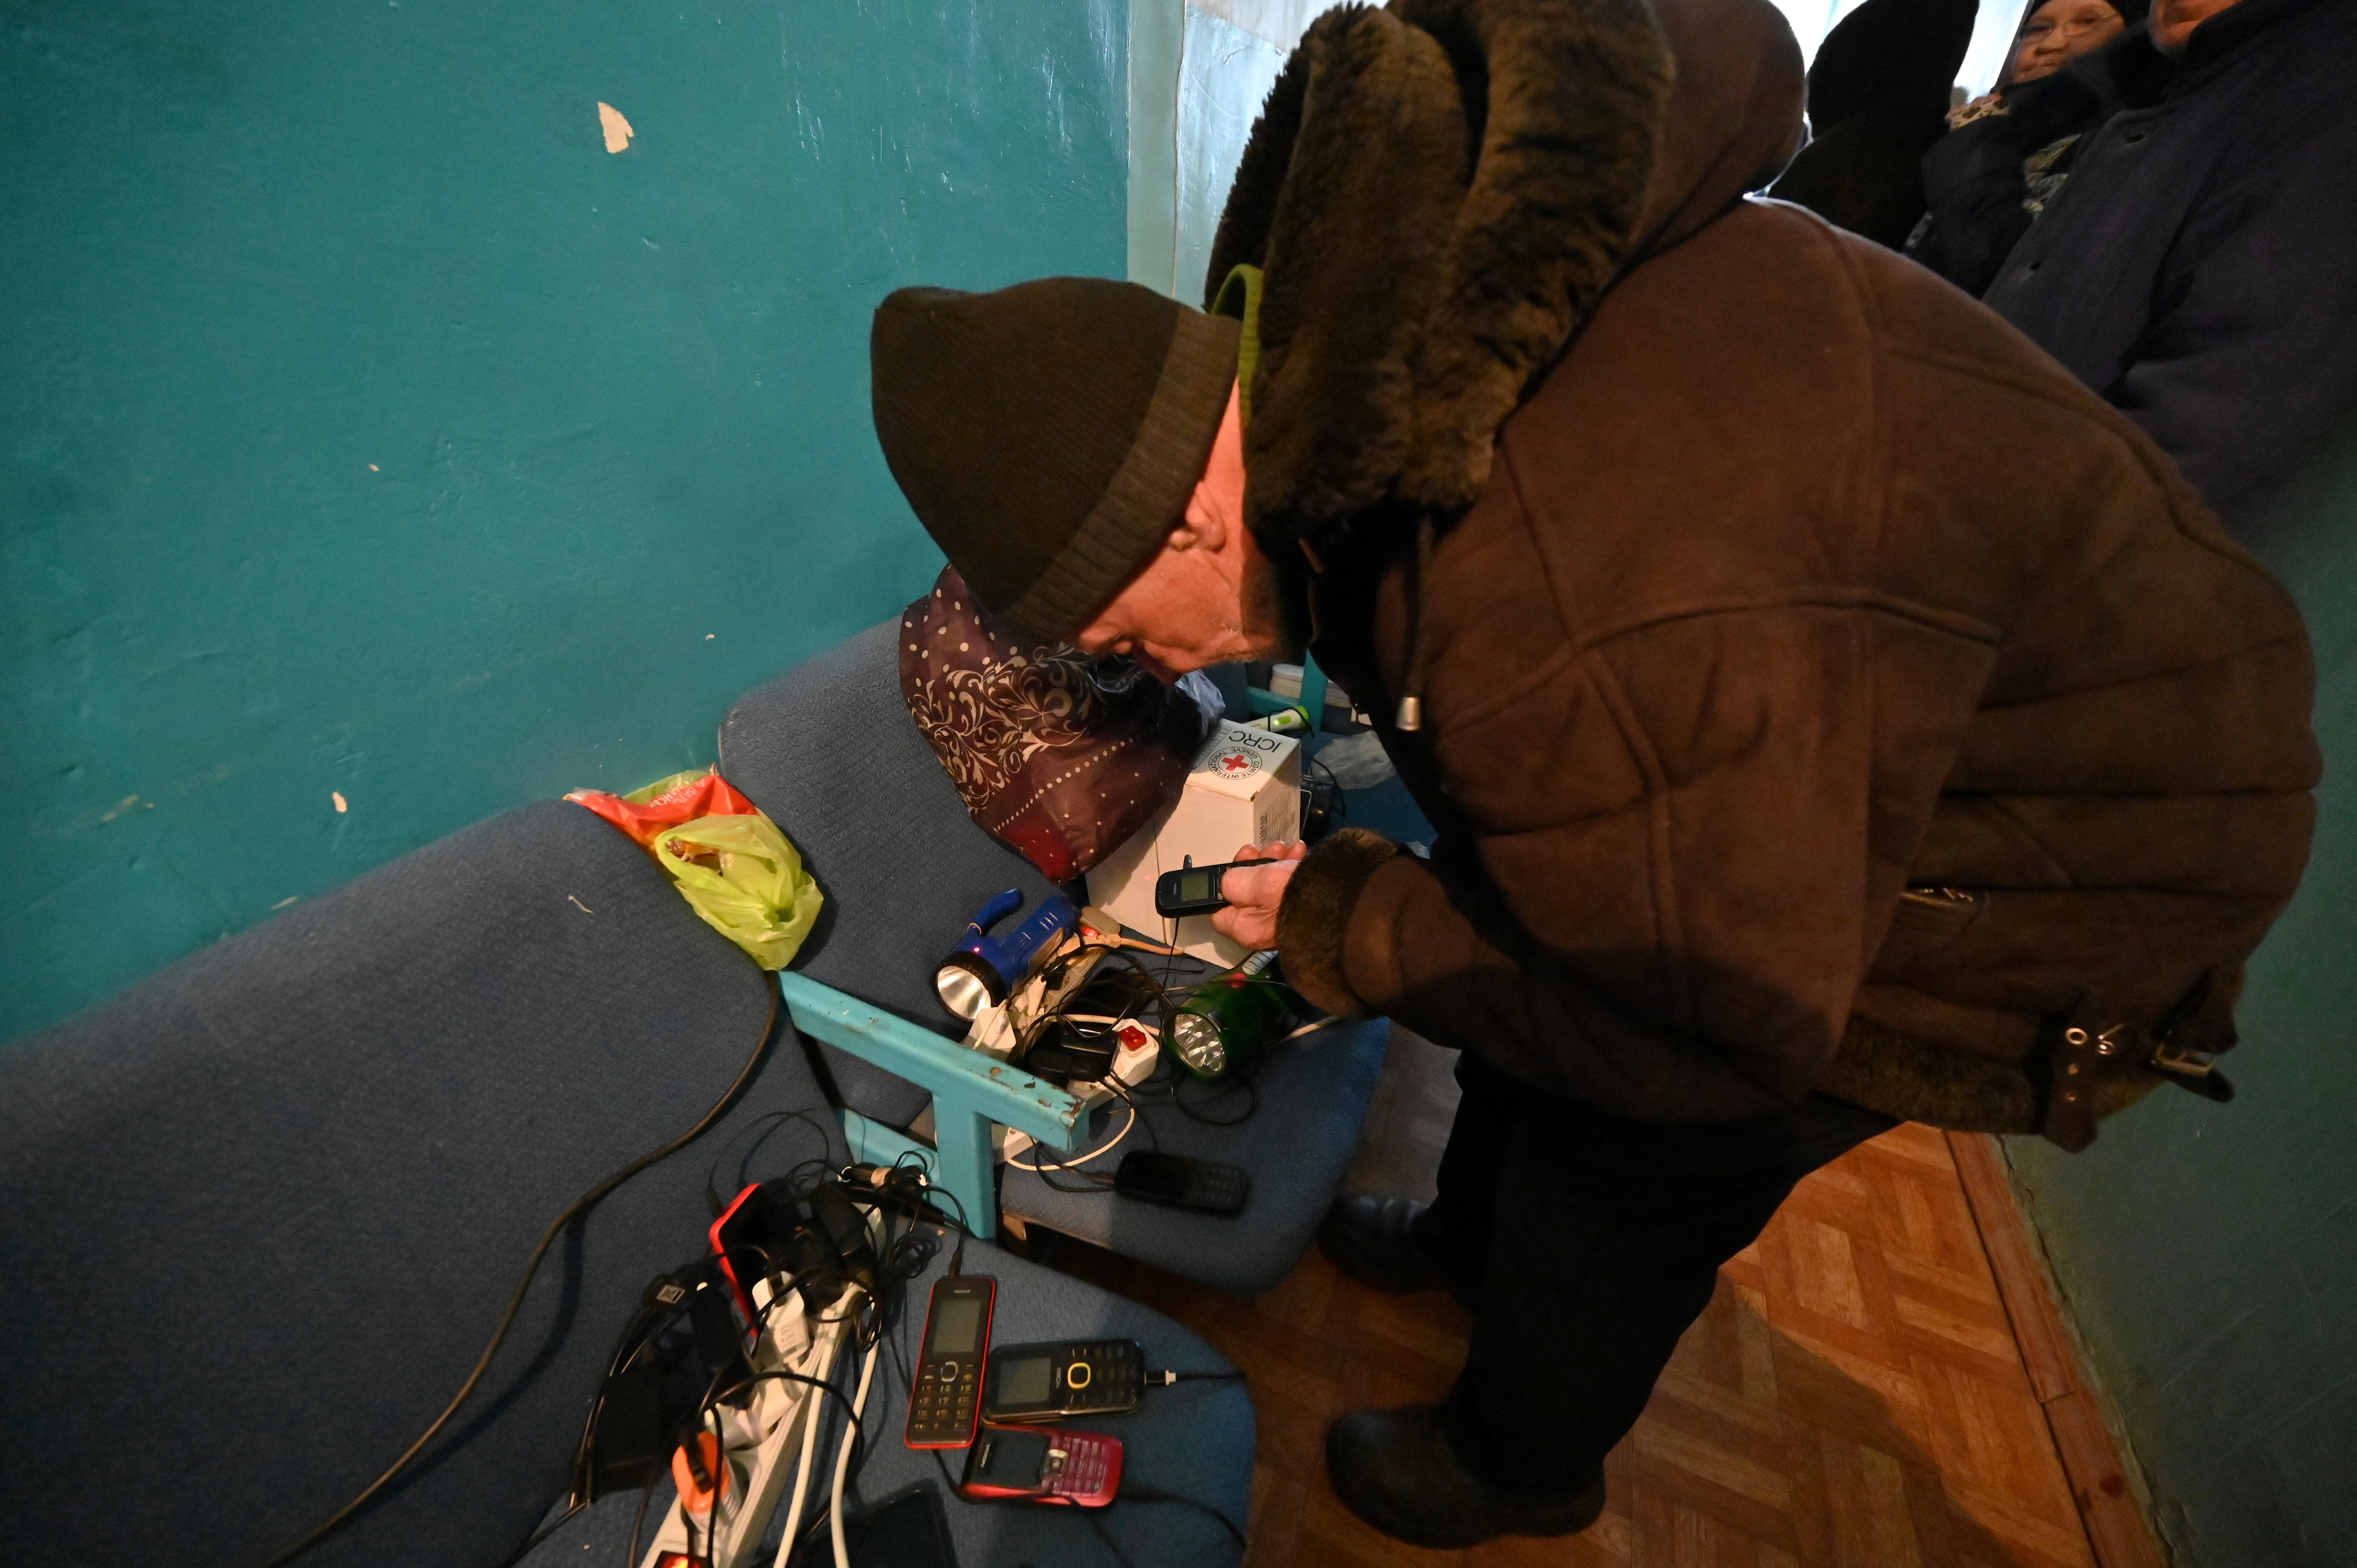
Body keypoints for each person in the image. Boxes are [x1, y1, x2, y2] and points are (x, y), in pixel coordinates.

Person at [866, 0, 2317, 1549]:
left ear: (1187, 520)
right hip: (1849, 721)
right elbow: (1551, 837)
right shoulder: (1375, 372)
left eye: (1118, 634)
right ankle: (1467, 1248)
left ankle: (1520, 1460)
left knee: (1626, 1175)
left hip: (2063, 854)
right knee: (1529, 1042)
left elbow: (1688, 1025)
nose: (1150, 672)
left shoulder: (1558, 589)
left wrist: (1351, 919)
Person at [1980, 0, 2357, 545]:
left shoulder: (2323, 86)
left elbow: (2218, 419)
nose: (2055, 43)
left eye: (2086, 22)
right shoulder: (2149, 86)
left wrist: (1996, 542)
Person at [1906, 0, 2148, 295]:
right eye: (2038, 29)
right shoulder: (1993, 126)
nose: (2050, 44)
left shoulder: (2122, 147)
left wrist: (1976, 139)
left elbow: (1993, 265)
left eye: (2086, 22)